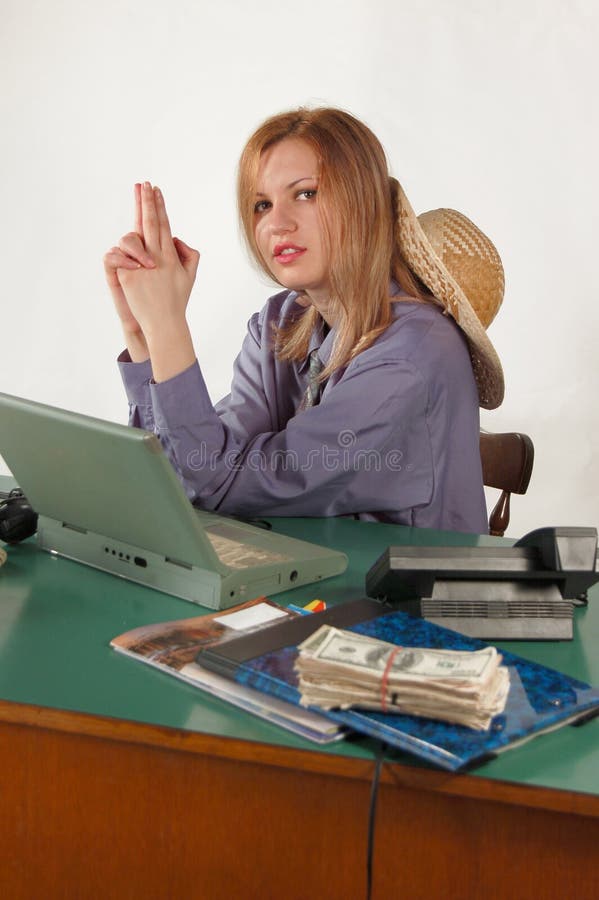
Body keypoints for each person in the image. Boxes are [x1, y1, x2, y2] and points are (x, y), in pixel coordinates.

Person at [103, 107, 505, 534]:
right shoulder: (279, 321)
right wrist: (143, 335)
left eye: (306, 194)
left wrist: (168, 325)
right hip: (309, 577)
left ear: (363, 205)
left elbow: (216, 483)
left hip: (397, 596)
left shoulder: (412, 355)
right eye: (261, 204)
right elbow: (188, 470)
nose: (277, 224)